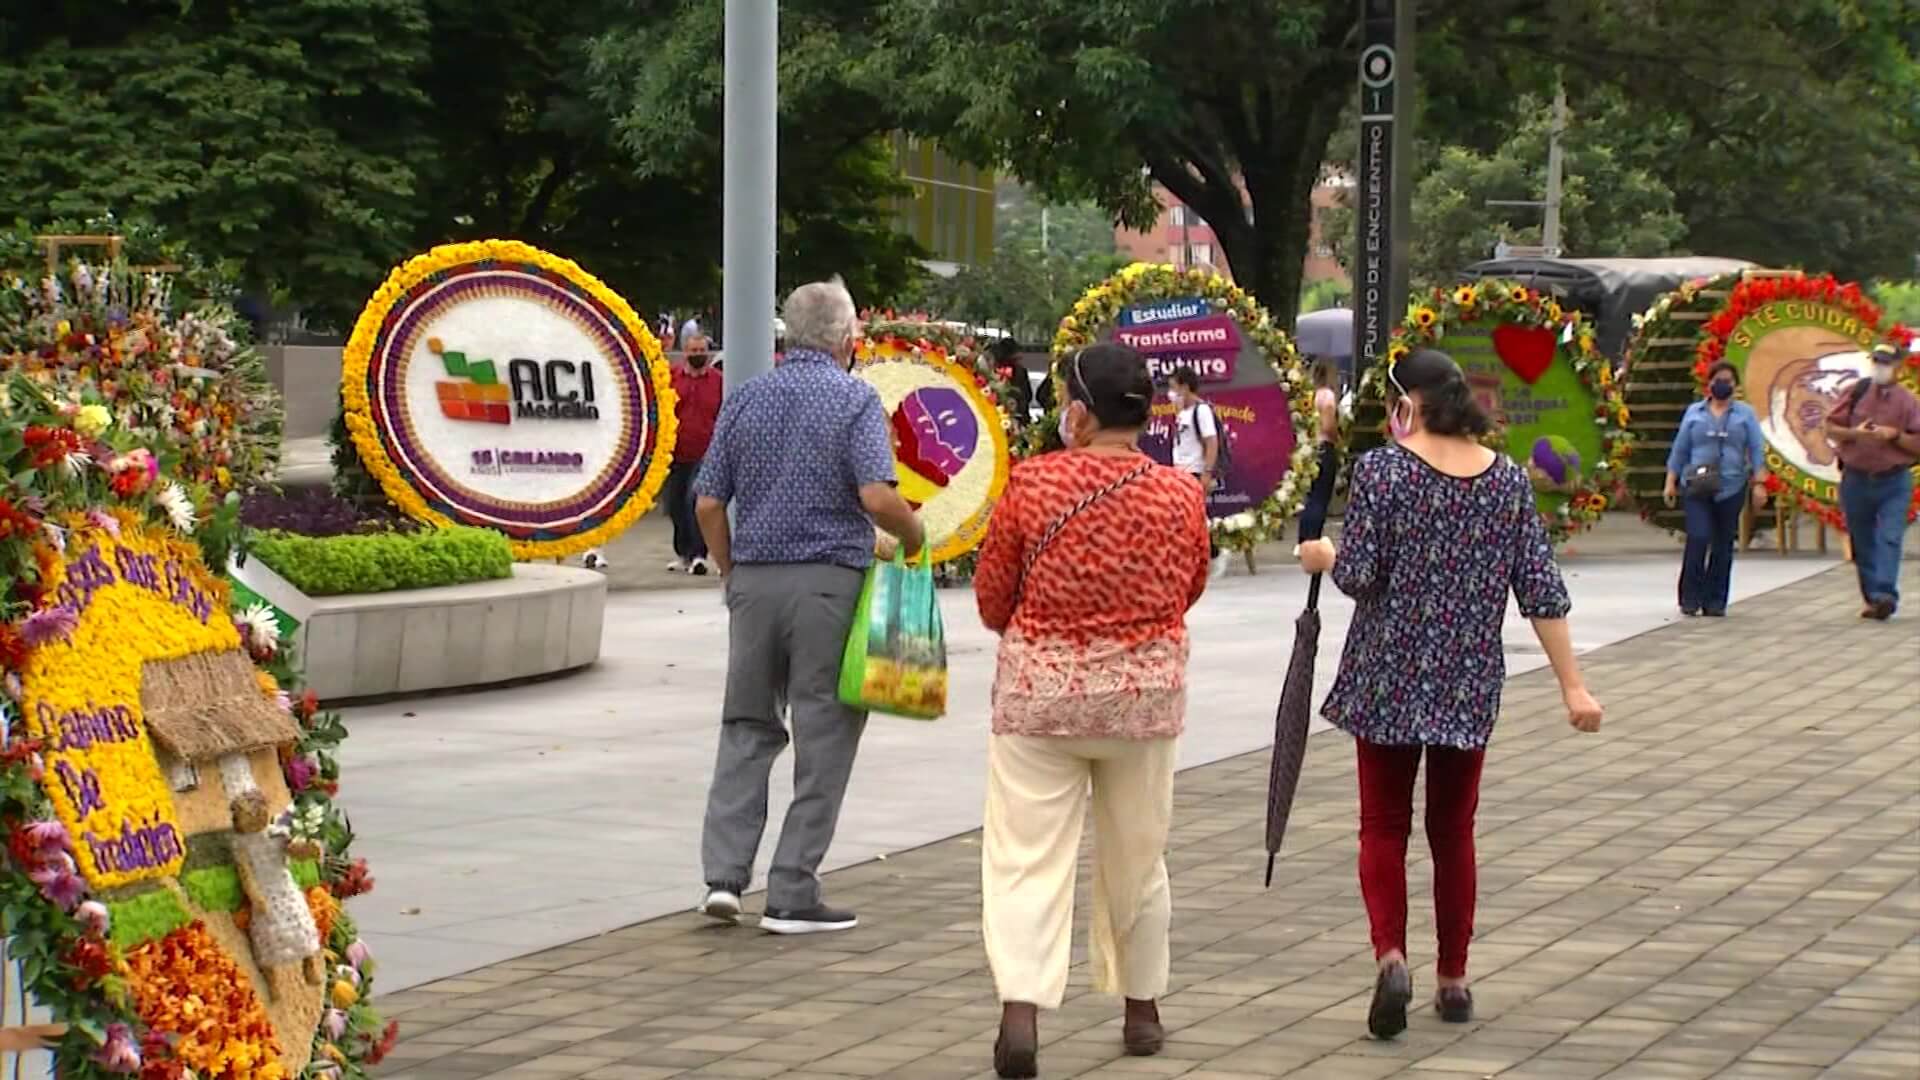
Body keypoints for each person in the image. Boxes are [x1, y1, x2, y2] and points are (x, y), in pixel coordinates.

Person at [1298, 348, 1603, 1041]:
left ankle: (1392, 956)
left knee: (1382, 824)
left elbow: (1362, 573)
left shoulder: (1382, 472)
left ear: (1406, 408)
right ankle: (1454, 979)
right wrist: (1573, 686)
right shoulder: (1507, 482)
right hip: (1468, 677)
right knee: (1452, 830)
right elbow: (1540, 590)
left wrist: (1324, 557)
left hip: (1387, 673)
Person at [972, 343, 1211, 1079]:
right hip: (1140, 702)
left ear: (1077, 410)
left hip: (1040, 704)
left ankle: (1021, 1012)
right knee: (1139, 857)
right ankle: (1142, 1009)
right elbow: (1190, 585)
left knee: (1024, 860)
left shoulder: (1033, 484)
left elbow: (991, 599)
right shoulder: (1179, 494)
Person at [692, 278, 925, 934]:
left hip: (755, 586)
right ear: (848, 340)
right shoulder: (854, 399)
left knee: (746, 725)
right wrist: (914, 536)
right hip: (829, 585)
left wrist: (731, 568)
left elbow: (708, 501)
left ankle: (723, 878)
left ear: (788, 334)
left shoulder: (746, 399)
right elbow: (878, 497)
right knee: (824, 732)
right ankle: (793, 889)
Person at [1662, 361, 1771, 617]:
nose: (1722, 384)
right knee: (1698, 537)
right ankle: (1690, 597)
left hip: (1731, 485)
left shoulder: (1745, 414)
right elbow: (1680, 449)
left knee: (1723, 544)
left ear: (1735, 386)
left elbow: (1756, 450)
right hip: (1697, 485)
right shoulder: (1694, 412)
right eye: (1717, 379)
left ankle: (1715, 600)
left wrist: (1759, 484)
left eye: (1728, 380)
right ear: (1709, 383)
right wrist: (1670, 481)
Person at [1825, 342, 1920, 620]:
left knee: (1889, 537)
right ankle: (1873, 599)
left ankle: (1885, 593)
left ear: (1898, 367)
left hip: (1893, 480)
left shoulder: (1908, 402)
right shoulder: (1856, 392)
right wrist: (1855, 433)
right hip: (1856, 479)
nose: (1880, 368)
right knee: (1862, 540)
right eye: (1876, 362)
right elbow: (1830, 427)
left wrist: (1895, 436)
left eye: (1885, 363)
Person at [665, 338, 723, 574]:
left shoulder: (718, 382)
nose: (698, 354)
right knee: (674, 505)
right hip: (675, 453)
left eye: (702, 350)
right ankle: (683, 553)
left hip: (706, 453)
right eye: (693, 350)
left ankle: (700, 554)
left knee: (693, 501)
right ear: (685, 353)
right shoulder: (672, 379)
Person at [1167, 368, 1229, 579]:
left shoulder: (1201, 411)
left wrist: (1207, 472)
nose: (1171, 393)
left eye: (1174, 387)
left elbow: (1211, 442)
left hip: (1195, 471)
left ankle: (1215, 553)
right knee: (1186, 518)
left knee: (1195, 517)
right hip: (1180, 471)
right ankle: (1194, 559)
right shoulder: (1182, 412)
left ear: (1185, 387)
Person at [1296, 358, 1344, 544]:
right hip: (1324, 447)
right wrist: (1337, 437)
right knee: (1321, 498)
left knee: (1310, 497)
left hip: (1309, 449)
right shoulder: (1327, 396)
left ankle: (1303, 537)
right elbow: (1328, 425)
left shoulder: (1310, 395)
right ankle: (1313, 537)